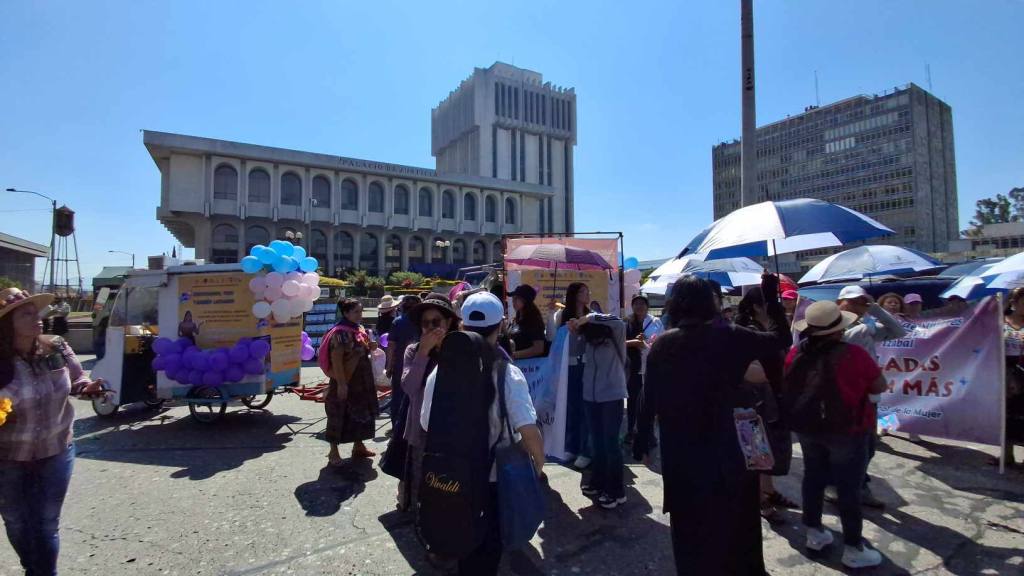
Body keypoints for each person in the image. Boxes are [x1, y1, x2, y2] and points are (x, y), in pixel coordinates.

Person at [634, 274, 791, 575]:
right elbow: (780, 340)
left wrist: (642, 441)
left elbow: (647, 398)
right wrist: (771, 298)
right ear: (710, 303)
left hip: (683, 453)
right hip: (730, 449)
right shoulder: (733, 336)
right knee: (739, 528)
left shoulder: (664, 344)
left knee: (691, 532)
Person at [420, 292, 545, 575]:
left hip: (454, 474)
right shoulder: (507, 374)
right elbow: (528, 430)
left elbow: (427, 422)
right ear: (500, 326)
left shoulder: (441, 371)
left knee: (463, 540)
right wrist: (538, 464)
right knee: (488, 547)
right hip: (492, 479)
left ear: (462, 325)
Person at [0, 288, 108, 575]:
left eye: (36, 312)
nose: (37, 318)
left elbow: (78, 380)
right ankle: (32, 567)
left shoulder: (57, 346)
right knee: (16, 521)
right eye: (26, 313)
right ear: (7, 323)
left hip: (56, 450)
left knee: (46, 523)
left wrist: (89, 388)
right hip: (7, 457)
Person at [787, 300, 888, 569]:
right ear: (838, 330)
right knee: (848, 488)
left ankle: (814, 533)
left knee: (813, 478)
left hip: (808, 426)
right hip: (848, 429)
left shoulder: (795, 352)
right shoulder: (853, 354)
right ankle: (854, 547)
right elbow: (880, 384)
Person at [836, 285, 908, 508]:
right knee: (850, 447)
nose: (857, 305)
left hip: (868, 395)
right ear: (841, 303)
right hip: (843, 396)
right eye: (852, 301)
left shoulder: (865, 326)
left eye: (861, 301)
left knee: (868, 446)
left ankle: (856, 485)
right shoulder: (834, 326)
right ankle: (846, 488)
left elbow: (899, 331)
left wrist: (875, 309)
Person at [735, 287, 798, 524]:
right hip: (754, 399)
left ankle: (769, 490)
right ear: (754, 307)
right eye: (768, 303)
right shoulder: (747, 332)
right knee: (757, 448)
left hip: (775, 397)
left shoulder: (774, 327)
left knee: (774, 447)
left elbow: (786, 341)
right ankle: (759, 498)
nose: (774, 306)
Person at [399, 293, 459, 510]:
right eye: (425, 323)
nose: (430, 328)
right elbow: (409, 387)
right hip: (421, 428)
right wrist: (423, 352)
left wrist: (446, 349)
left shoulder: (461, 348)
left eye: (436, 322)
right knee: (421, 477)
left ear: (449, 322)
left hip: (452, 429)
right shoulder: (413, 350)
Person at [569, 310, 628, 509]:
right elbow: (573, 350)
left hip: (612, 396)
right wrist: (574, 330)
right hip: (590, 397)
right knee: (597, 442)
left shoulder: (616, 336)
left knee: (611, 444)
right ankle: (598, 483)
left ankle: (616, 491)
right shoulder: (587, 340)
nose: (593, 341)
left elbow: (618, 322)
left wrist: (588, 317)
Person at [324, 298, 379, 465]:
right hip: (346, 380)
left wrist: (370, 346)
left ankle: (359, 446)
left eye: (361, 312)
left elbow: (360, 348)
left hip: (363, 381)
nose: (360, 315)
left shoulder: (358, 329)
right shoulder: (339, 333)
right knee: (339, 413)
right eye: (356, 312)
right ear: (346, 313)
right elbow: (337, 359)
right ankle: (333, 452)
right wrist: (341, 384)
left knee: (363, 412)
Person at [556, 282, 592, 469]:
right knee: (570, 407)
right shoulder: (562, 315)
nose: (587, 294)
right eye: (583, 292)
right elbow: (554, 340)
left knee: (585, 408)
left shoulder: (591, 314)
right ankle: (571, 445)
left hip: (587, 366)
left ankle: (585, 450)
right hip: (568, 367)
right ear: (575, 295)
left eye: (588, 291)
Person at [624, 295, 663, 445]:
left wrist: (645, 343)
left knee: (649, 401)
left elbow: (660, 342)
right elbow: (621, 341)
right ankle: (630, 431)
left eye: (642, 303)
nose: (639, 306)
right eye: (636, 304)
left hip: (649, 367)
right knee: (632, 401)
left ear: (647, 306)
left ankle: (649, 434)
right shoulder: (627, 322)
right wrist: (634, 343)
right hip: (632, 367)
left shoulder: (655, 322)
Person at [386, 295, 421, 426]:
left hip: (400, 365)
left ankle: (397, 425)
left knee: (398, 396)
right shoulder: (423, 321)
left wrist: (389, 366)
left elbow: (391, 346)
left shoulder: (397, 322)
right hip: (420, 364)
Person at [1002, 288, 1024, 467]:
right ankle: (1007, 456)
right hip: (1005, 370)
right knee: (1006, 414)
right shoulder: (1001, 321)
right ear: (1013, 303)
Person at [509, 285, 546, 360]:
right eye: (513, 298)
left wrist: (514, 355)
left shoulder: (534, 321)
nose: (513, 301)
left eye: (516, 298)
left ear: (525, 300)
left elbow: (539, 348)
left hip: (530, 368)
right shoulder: (517, 318)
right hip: (518, 365)